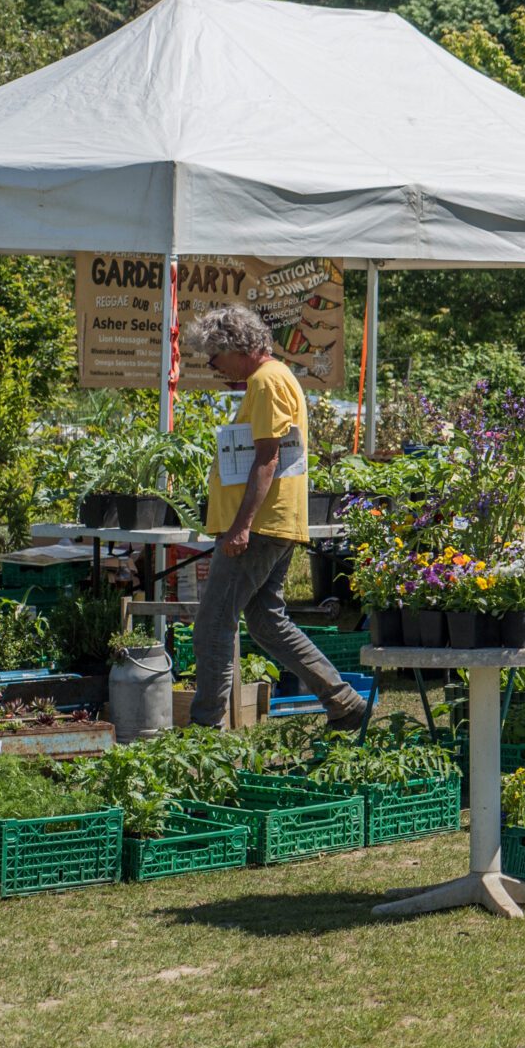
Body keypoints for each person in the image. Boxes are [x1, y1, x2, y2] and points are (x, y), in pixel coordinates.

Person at [187, 305, 371, 731]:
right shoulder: (269, 379)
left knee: (213, 625)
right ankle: (343, 702)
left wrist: (241, 525)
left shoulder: (268, 380)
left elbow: (267, 459)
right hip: (273, 523)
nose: (213, 368)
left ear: (234, 347)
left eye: (214, 358)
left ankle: (203, 733)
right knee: (267, 622)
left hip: (261, 526)